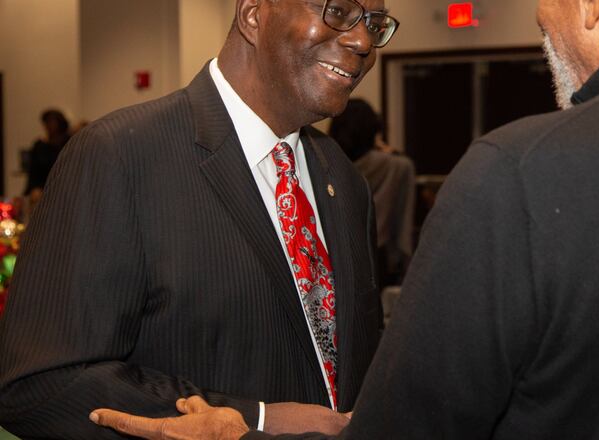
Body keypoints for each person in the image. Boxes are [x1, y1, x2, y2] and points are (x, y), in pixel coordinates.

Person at [90, 0, 599, 438]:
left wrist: (245, 435)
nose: (541, 19)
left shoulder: (519, 172)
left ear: (594, 4)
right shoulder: (123, 152)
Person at [0, 0, 399, 438]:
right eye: (339, 11)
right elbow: (38, 383)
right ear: (252, 15)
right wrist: (255, 419)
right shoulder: (118, 156)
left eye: (374, 24)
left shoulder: (343, 178)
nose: (363, 41)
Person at [329, 99, 415, 286]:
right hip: (380, 256)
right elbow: (404, 223)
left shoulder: (326, 164)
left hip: (336, 253)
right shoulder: (397, 166)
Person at [24, 109, 71, 203]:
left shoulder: (69, 143)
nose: (49, 125)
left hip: (65, 185)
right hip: (43, 186)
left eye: (52, 121)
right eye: (47, 122)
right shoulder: (40, 145)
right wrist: (34, 188)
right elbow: (34, 171)